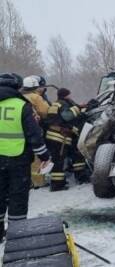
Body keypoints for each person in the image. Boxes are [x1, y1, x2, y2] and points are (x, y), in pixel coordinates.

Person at [0, 73, 51, 243]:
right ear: (17, 87)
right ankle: (17, 234)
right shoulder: (22, 106)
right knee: (18, 196)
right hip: (18, 159)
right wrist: (44, 155)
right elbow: (34, 135)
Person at [45, 88, 86, 191]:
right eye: (69, 95)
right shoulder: (64, 104)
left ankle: (58, 183)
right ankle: (57, 185)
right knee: (59, 161)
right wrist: (77, 107)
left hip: (52, 136)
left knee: (57, 160)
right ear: (66, 95)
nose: (70, 97)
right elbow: (67, 116)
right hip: (59, 137)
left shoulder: (55, 104)